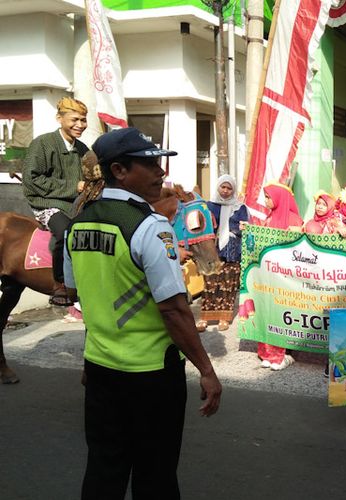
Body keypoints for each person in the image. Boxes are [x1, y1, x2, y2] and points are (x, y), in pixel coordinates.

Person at [63, 127, 222, 499]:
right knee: (156, 474)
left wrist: (89, 362)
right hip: (150, 377)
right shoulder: (150, 227)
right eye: (150, 165)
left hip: (101, 371)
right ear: (119, 170)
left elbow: (86, 295)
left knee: (104, 469)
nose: (160, 173)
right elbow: (174, 310)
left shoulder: (78, 223)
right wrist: (208, 370)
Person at [23, 97, 89, 306]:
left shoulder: (83, 148)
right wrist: (74, 186)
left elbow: (91, 176)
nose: (80, 125)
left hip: (76, 203)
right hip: (46, 202)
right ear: (59, 118)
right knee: (65, 232)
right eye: (75, 119)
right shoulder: (42, 143)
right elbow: (31, 179)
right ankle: (60, 284)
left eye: (84, 120)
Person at [257, 182, 304, 370]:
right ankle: (267, 353)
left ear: (279, 198)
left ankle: (286, 354)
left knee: (285, 314)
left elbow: (298, 249)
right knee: (269, 312)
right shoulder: (269, 218)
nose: (266, 201)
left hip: (288, 278)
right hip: (270, 275)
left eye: (268, 197)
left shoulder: (294, 221)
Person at [196, 175, 247, 333]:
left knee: (228, 285)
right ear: (218, 187)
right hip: (213, 251)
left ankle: (224, 318)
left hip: (232, 251)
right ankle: (205, 318)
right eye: (222, 187)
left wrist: (238, 229)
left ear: (233, 190)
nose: (225, 191)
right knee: (209, 285)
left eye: (229, 188)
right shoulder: (209, 206)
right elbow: (203, 227)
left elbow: (245, 227)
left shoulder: (240, 207)